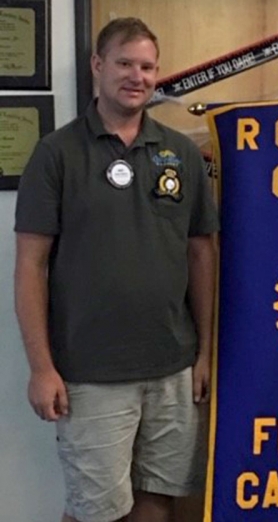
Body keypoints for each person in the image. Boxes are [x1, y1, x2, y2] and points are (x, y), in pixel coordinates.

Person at [14, 17, 218, 522]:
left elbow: (202, 254)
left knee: (158, 500)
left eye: (147, 66)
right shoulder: (56, 154)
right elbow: (30, 264)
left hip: (172, 364)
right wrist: (41, 368)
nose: (137, 76)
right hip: (91, 372)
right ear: (97, 66)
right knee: (95, 511)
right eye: (125, 63)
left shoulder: (182, 153)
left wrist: (205, 355)